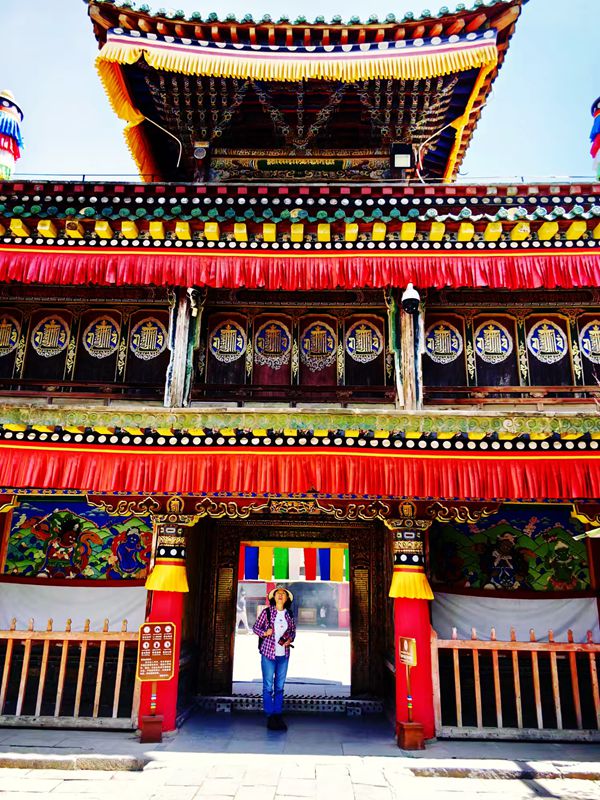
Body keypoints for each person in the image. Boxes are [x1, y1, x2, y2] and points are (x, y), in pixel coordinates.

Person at [253, 585, 296, 731]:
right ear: (274, 597)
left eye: (283, 593)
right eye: (278, 593)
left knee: (279, 687)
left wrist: (290, 639)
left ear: (287, 598)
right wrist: (265, 633)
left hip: (283, 655)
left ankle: (278, 714)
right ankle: (270, 715)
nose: (280, 595)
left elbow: (293, 631)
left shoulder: (289, 615)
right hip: (268, 654)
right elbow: (255, 628)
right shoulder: (267, 612)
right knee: (267, 686)